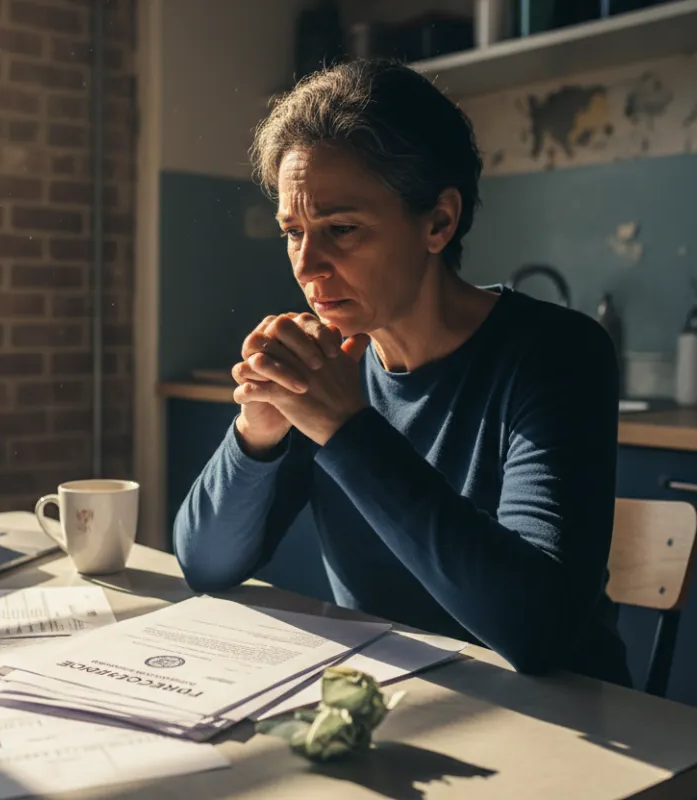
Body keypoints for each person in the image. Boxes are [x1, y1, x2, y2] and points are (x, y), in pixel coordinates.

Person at [173, 59, 631, 686]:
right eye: (293, 232)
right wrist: (255, 435)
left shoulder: (558, 353)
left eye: (342, 229)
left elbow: (538, 629)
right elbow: (206, 565)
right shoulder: (331, 366)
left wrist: (345, 426)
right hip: (400, 710)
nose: (308, 265)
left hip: (570, 725)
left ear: (439, 221)